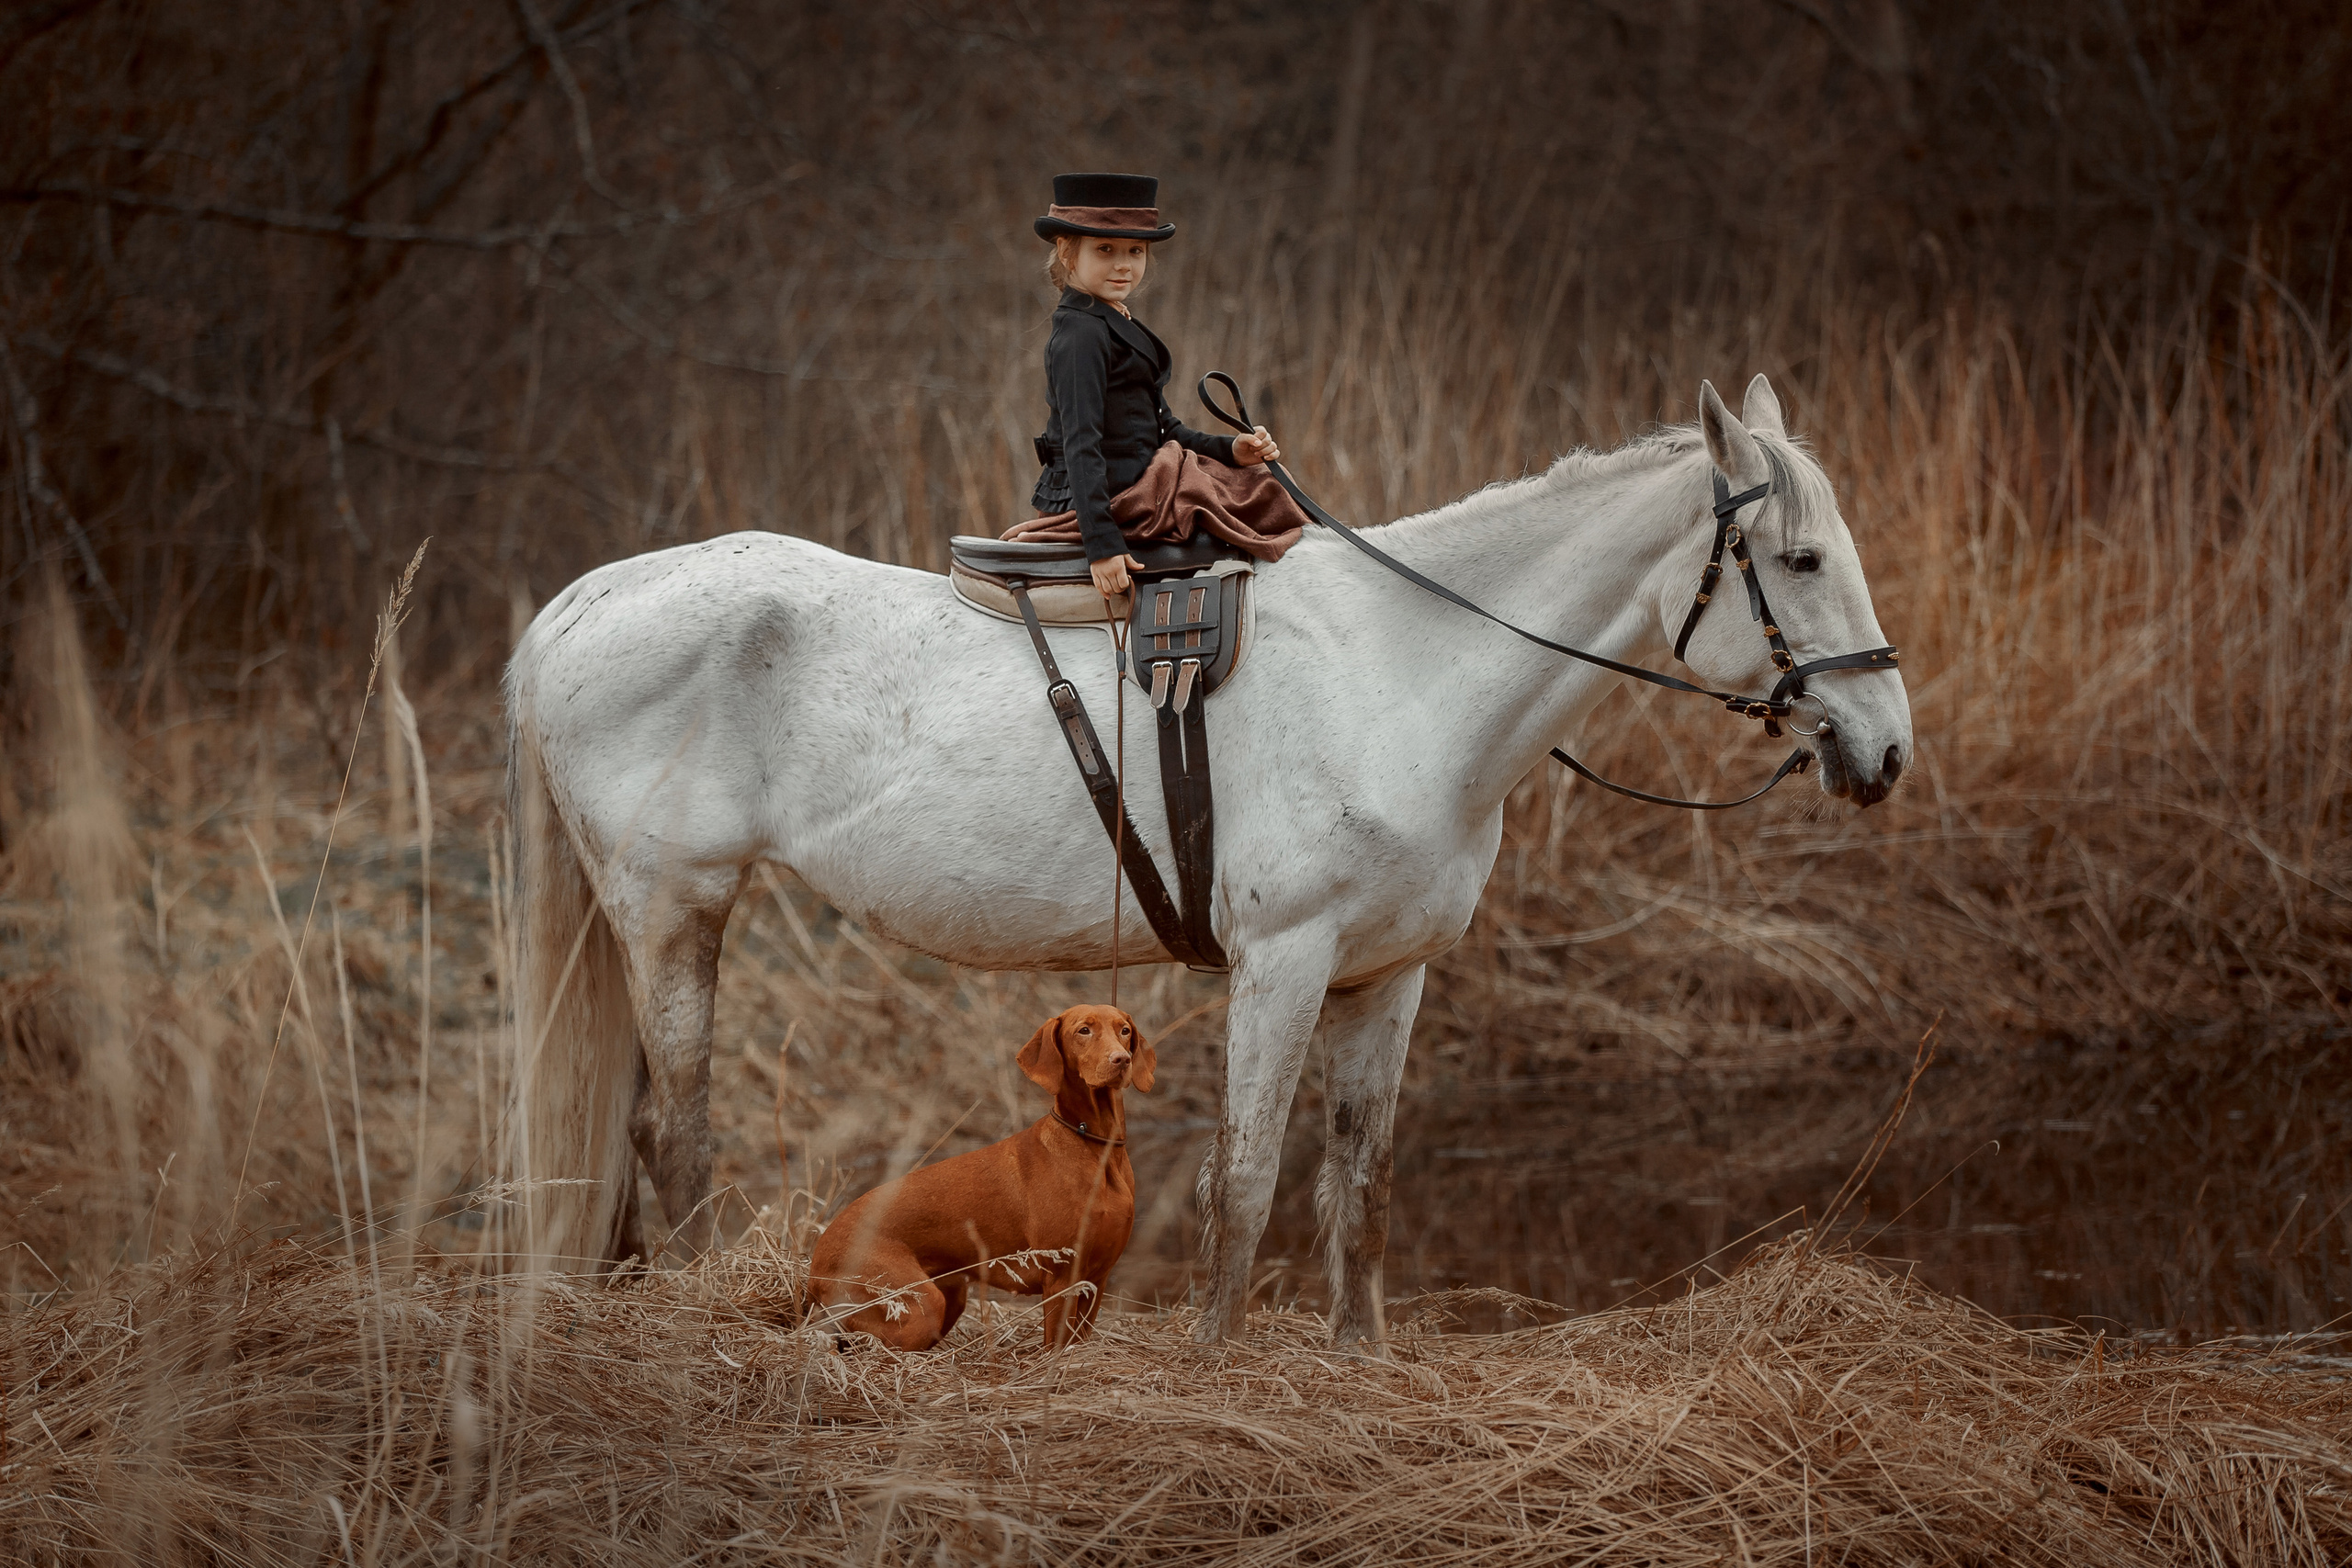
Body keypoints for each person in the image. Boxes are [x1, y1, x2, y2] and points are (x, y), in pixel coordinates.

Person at [1019, 173, 1306, 599]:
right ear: (1066, 252)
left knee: (1258, 485)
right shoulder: (1080, 335)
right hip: (1112, 497)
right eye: (1105, 250)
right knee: (1258, 498)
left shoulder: (1110, 319)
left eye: (1135, 250)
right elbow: (1082, 443)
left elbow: (1162, 427)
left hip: (1141, 477)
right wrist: (1102, 546)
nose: (1124, 264)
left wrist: (1230, 450)